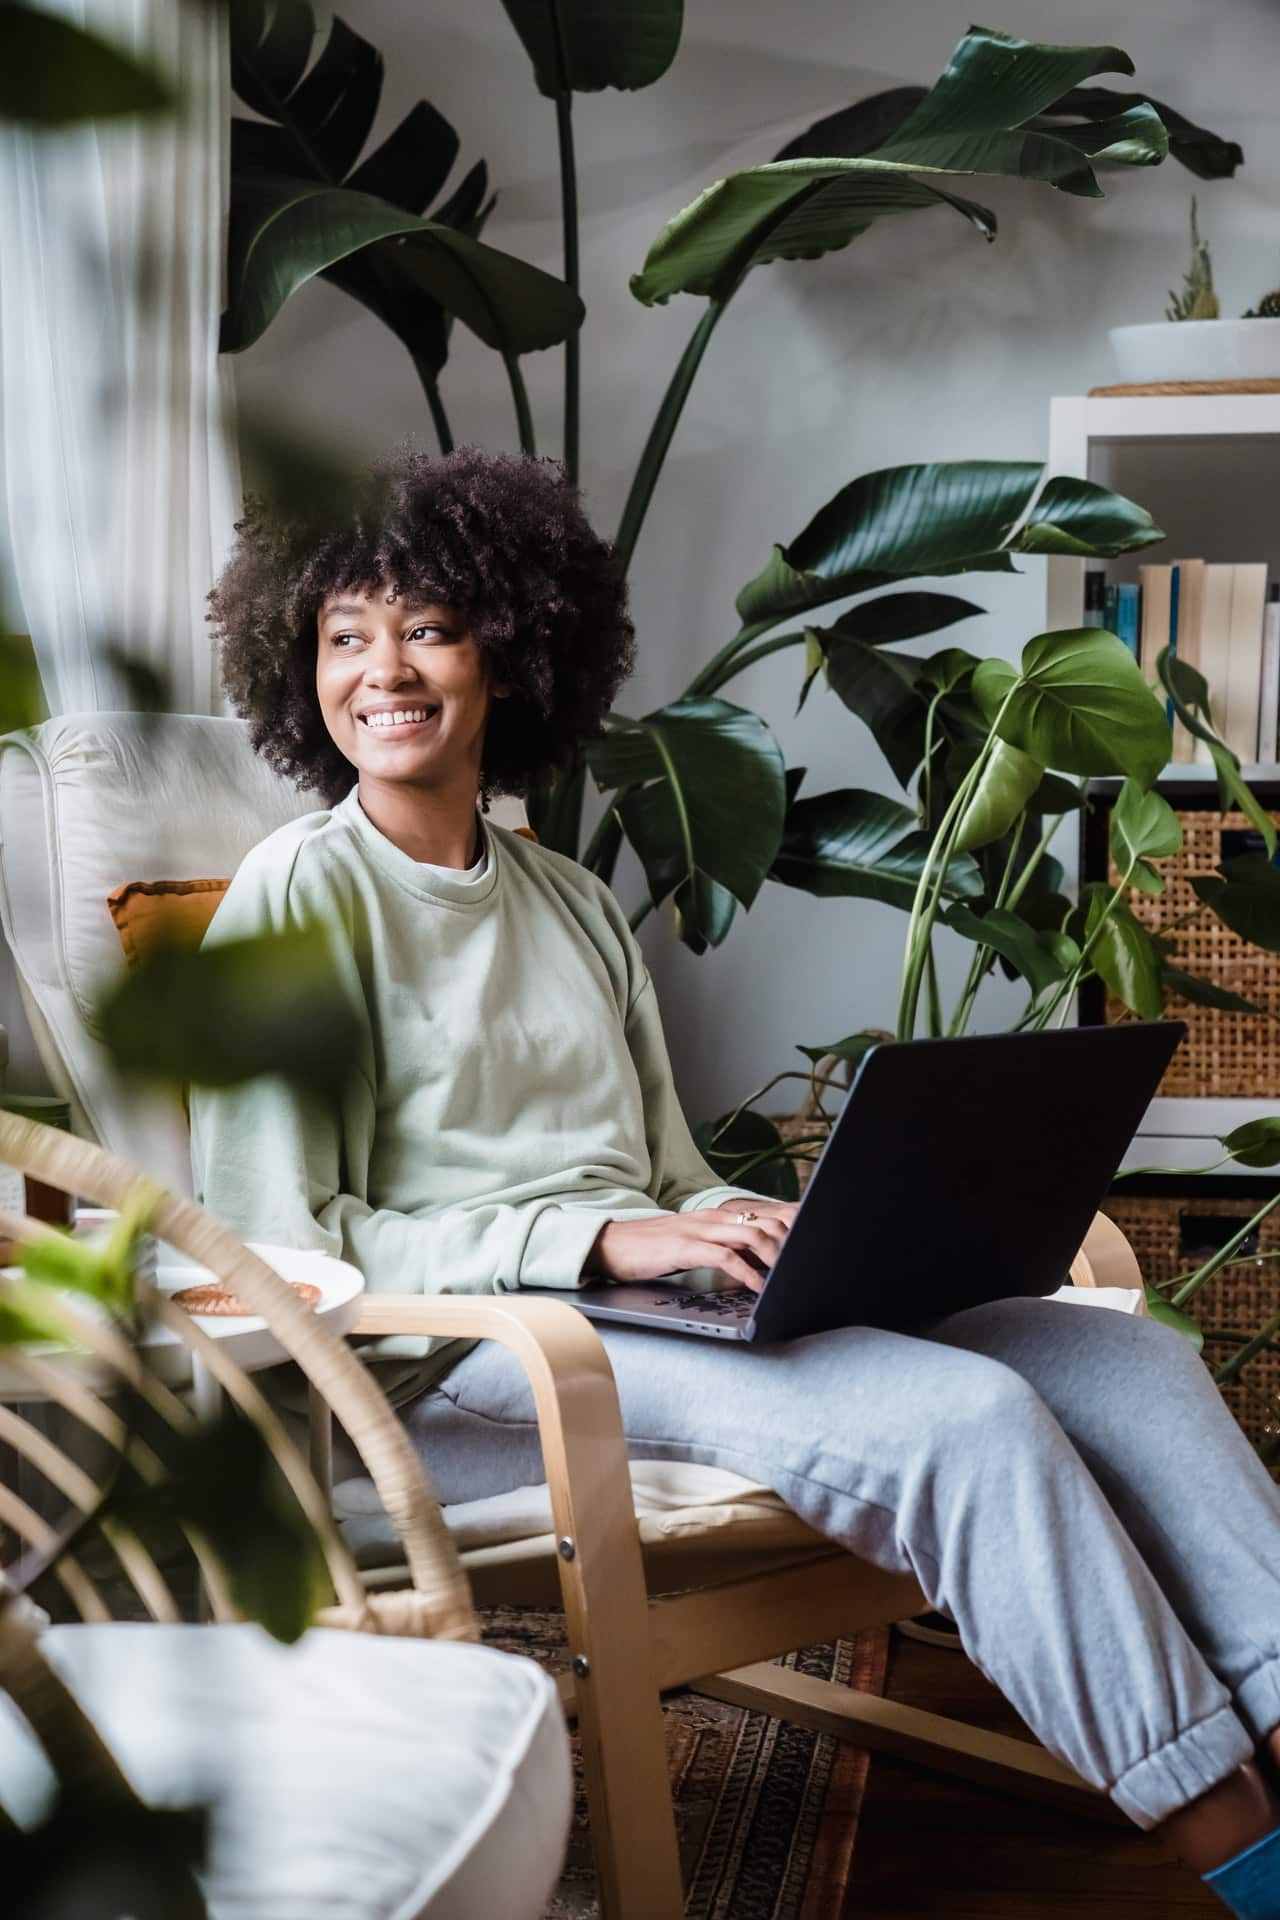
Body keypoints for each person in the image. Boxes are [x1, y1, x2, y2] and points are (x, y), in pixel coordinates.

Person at [193, 445, 1280, 1917]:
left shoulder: (568, 901)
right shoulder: (300, 892)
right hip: (466, 1370)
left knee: (1121, 1360)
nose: (385, 671)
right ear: (300, 667)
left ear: (509, 653)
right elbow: (279, 1247)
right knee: (958, 1419)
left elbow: (667, 1170)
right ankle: (1242, 1848)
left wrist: (754, 1228)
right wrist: (600, 1240)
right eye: (345, 636)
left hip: (652, 1317)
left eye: (430, 627)